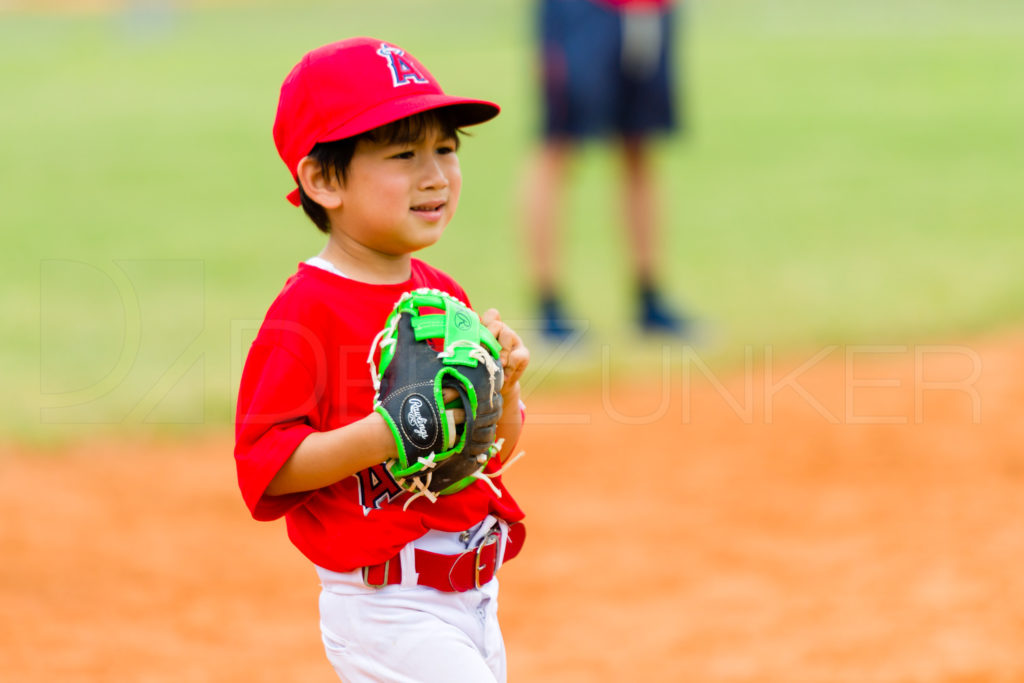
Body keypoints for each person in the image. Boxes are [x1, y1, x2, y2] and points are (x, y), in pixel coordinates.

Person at [233, 37, 530, 683]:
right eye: (404, 154)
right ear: (322, 179)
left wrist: (503, 394)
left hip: (475, 595)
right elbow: (266, 471)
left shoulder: (440, 295)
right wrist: (386, 432)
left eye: (445, 149)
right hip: (386, 606)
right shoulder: (305, 312)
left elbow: (483, 457)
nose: (435, 175)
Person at [523, 0, 687, 339]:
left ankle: (649, 299)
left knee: (640, 147)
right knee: (557, 147)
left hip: (652, 10)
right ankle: (548, 303)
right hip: (581, 11)